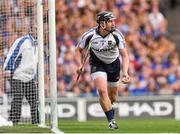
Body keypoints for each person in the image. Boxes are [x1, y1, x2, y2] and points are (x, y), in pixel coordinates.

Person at [76, 11, 130, 129]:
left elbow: (125, 55)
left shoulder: (117, 35)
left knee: (112, 97)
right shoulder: (89, 35)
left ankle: (106, 105)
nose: (113, 23)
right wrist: (79, 64)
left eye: (113, 21)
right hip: (97, 64)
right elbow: (78, 50)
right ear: (102, 24)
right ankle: (111, 121)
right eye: (110, 21)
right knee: (102, 90)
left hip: (114, 65)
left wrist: (125, 72)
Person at [3, 33, 39, 124]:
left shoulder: (38, 44)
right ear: (31, 30)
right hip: (17, 75)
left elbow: (35, 62)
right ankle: (13, 121)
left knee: (34, 99)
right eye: (35, 28)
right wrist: (7, 69)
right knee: (18, 97)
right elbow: (12, 53)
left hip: (30, 77)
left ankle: (36, 122)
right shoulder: (23, 41)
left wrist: (36, 76)